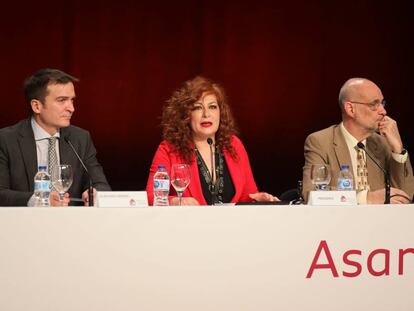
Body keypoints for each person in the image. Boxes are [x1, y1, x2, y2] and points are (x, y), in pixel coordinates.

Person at [146, 76, 278, 205]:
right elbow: (152, 196)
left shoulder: (233, 145)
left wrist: (257, 199)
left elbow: (247, 194)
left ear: (221, 112)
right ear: (185, 115)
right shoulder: (169, 149)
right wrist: (176, 201)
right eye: (197, 108)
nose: (206, 114)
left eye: (212, 107)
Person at [0, 68, 111, 207]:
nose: (71, 108)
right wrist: (39, 200)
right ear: (36, 106)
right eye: (62, 100)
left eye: (72, 100)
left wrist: (95, 193)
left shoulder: (80, 138)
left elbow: (100, 185)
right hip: (23, 224)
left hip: (71, 224)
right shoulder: (6, 140)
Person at [302, 77, 414, 204]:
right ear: (350, 109)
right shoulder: (320, 142)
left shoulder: (383, 143)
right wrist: (366, 198)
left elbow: (405, 197)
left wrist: (397, 150)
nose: (383, 111)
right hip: (340, 221)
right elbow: (311, 193)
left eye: (382, 103)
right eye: (374, 104)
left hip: (382, 222)